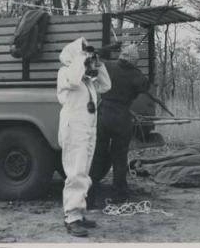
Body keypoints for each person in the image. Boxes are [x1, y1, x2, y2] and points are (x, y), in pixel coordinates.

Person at [57, 37, 111, 237]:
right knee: (76, 172)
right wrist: (83, 56)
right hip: (74, 128)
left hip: (88, 128)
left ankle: (79, 213)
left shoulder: (87, 80)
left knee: (84, 173)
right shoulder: (65, 73)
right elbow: (73, 79)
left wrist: (99, 61)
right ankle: (71, 217)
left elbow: (106, 86)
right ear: (75, 55)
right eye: (82, 53)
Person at [90, 43, 150, 204]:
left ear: (122, 55)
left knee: (97, 155)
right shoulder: (136, 75)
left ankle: (89, 195)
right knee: (119, 157)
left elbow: (95, 63)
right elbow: (144, 86)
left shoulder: (108, 66)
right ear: (134, 61)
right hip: (122, 118)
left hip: (104, 116)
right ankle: (119, 195)